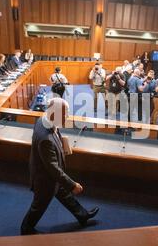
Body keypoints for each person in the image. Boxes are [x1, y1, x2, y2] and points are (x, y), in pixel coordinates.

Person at [20, 98, 99, 235]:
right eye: (65, 114)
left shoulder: (43, 120)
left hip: (49, 174)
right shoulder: (45, 139)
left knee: (65, 196)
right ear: (54, 113)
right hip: (45, 178)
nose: (67, 117)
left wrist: (62, 143)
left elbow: (55, 133)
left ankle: (82, 215)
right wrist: (73, 184)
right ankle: (26, 228)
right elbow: (53, 168)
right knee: (39, 205)